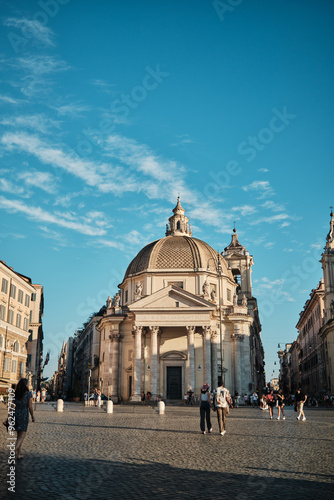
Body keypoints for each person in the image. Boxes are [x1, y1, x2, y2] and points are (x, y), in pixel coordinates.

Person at [14, 378, 35, 460]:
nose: (28, 385)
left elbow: (12, 405)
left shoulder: (16, 393)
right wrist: (32, 416)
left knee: (18, 435)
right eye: (28, 383)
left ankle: (19, 454)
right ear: (25, 385)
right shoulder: (28, 394)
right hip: (23, 414)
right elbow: (30, 407)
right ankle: (14, 451)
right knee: (22, 435)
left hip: (16, 413)